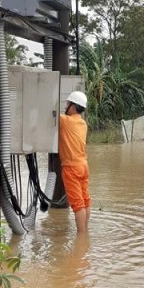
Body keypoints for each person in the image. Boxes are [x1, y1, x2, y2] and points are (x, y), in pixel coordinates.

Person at [58, 90, 90, 233]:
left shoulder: (65, 121)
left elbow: (48, 113)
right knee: (85, 200)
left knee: (78, 205)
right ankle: (85, 231)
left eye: (67, 103)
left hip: (71, 167)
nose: (65, 106)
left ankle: (81, 238)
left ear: (72, 106)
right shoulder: (83, 123)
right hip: (83, 165)